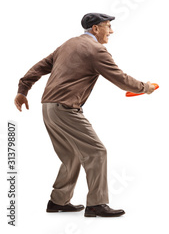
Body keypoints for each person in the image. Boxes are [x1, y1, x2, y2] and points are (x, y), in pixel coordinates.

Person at [14, 13, 156, 217]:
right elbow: (120, 79)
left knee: (71, 156)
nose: (112, 31)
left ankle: (58, 201)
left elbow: (40, 66)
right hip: (65, 108)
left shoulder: (68, 44)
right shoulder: (97, 50)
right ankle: (96, 204)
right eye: (108, 26)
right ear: (96, 29)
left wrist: (22, 90)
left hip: (48, 107)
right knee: (97, 152)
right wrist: (145, 87)